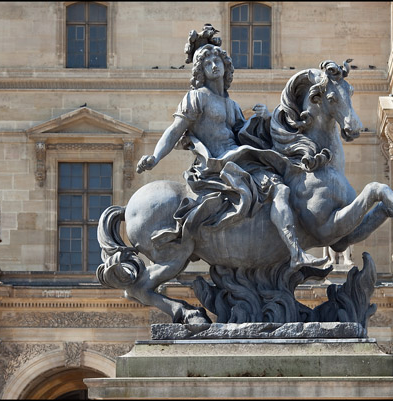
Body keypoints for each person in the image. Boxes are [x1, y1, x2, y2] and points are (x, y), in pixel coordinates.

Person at [137, 44, 326, 270]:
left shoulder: (232, 105)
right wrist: (155, 157)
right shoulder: (196, 97)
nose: (214, 66)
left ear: (226, 68)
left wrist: (265, 118)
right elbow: (175, 131)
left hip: (239, 158)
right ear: (201, 71)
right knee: (280, 190)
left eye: (217, 62)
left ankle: (288, 251)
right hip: (217, 165)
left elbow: (243, 134)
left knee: (284, 183)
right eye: (207, 64)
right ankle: (296, 253)